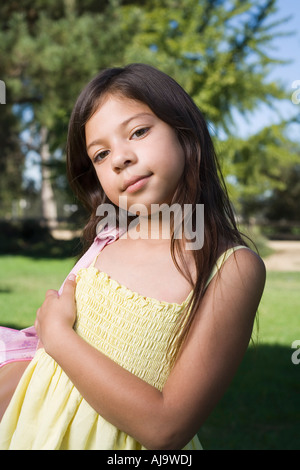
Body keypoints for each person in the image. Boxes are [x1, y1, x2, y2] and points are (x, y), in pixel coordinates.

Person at [0, 63, 266, 450]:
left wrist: (58, 336)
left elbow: (166, 428)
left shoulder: (232, 269)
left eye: (138, 132)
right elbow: (42, 368)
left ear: (183, 131)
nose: (120, 158)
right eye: (101, 154)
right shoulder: (106, 242)